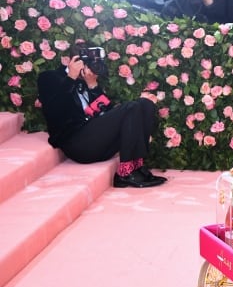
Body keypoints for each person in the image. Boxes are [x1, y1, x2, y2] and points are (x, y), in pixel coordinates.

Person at [37, 44, 166, 188]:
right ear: (73, 62)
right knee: (131, 107)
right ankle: (124, 174)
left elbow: (107, 111)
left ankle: (136, 167)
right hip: (77, 144)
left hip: (99, 142)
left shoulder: (88, 79)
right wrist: (71, 78)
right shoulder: (49, 78)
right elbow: (54, 110)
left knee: (145, 104)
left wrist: (93, 86)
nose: (92, 68)